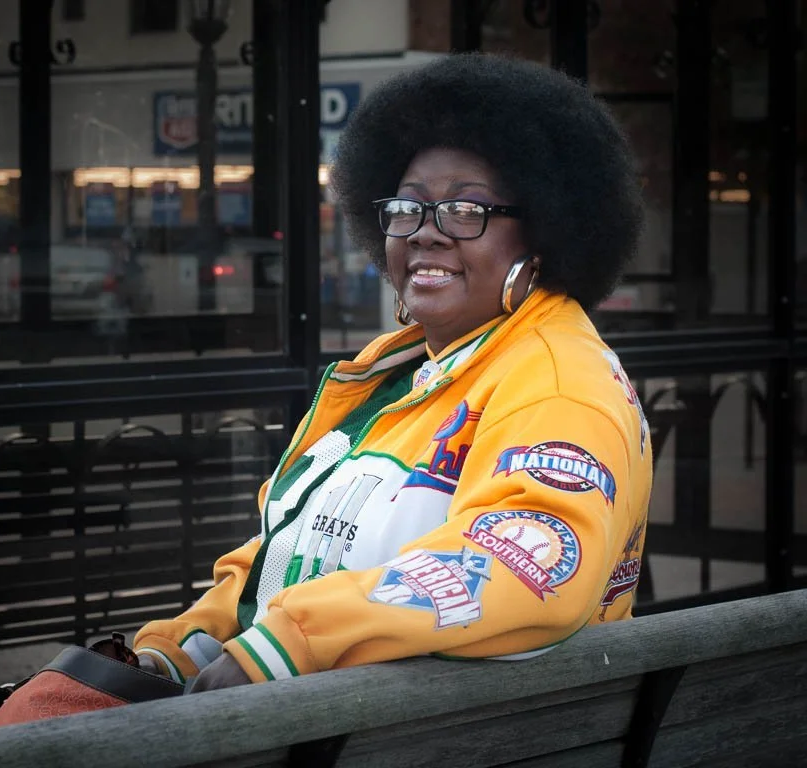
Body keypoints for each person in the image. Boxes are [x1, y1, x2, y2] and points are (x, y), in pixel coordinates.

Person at [133, 52, 652, 691]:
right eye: (408, 208)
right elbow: (282, 558)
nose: (427, 233)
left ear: (543, 236)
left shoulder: (556, 380)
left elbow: (523, 566)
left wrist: (288, 646)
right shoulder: (395, 376)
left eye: (468, 211)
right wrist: (173, 652)